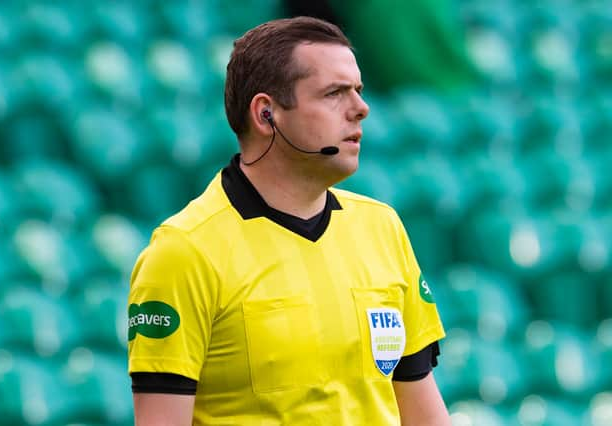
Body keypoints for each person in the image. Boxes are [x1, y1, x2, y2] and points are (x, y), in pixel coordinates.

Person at [128, 16, 450, 425]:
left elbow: (424, 415)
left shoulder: (382, 227)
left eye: (359, 91)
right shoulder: (183, 251)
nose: (361, 109)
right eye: (335, 93)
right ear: (266, 115)